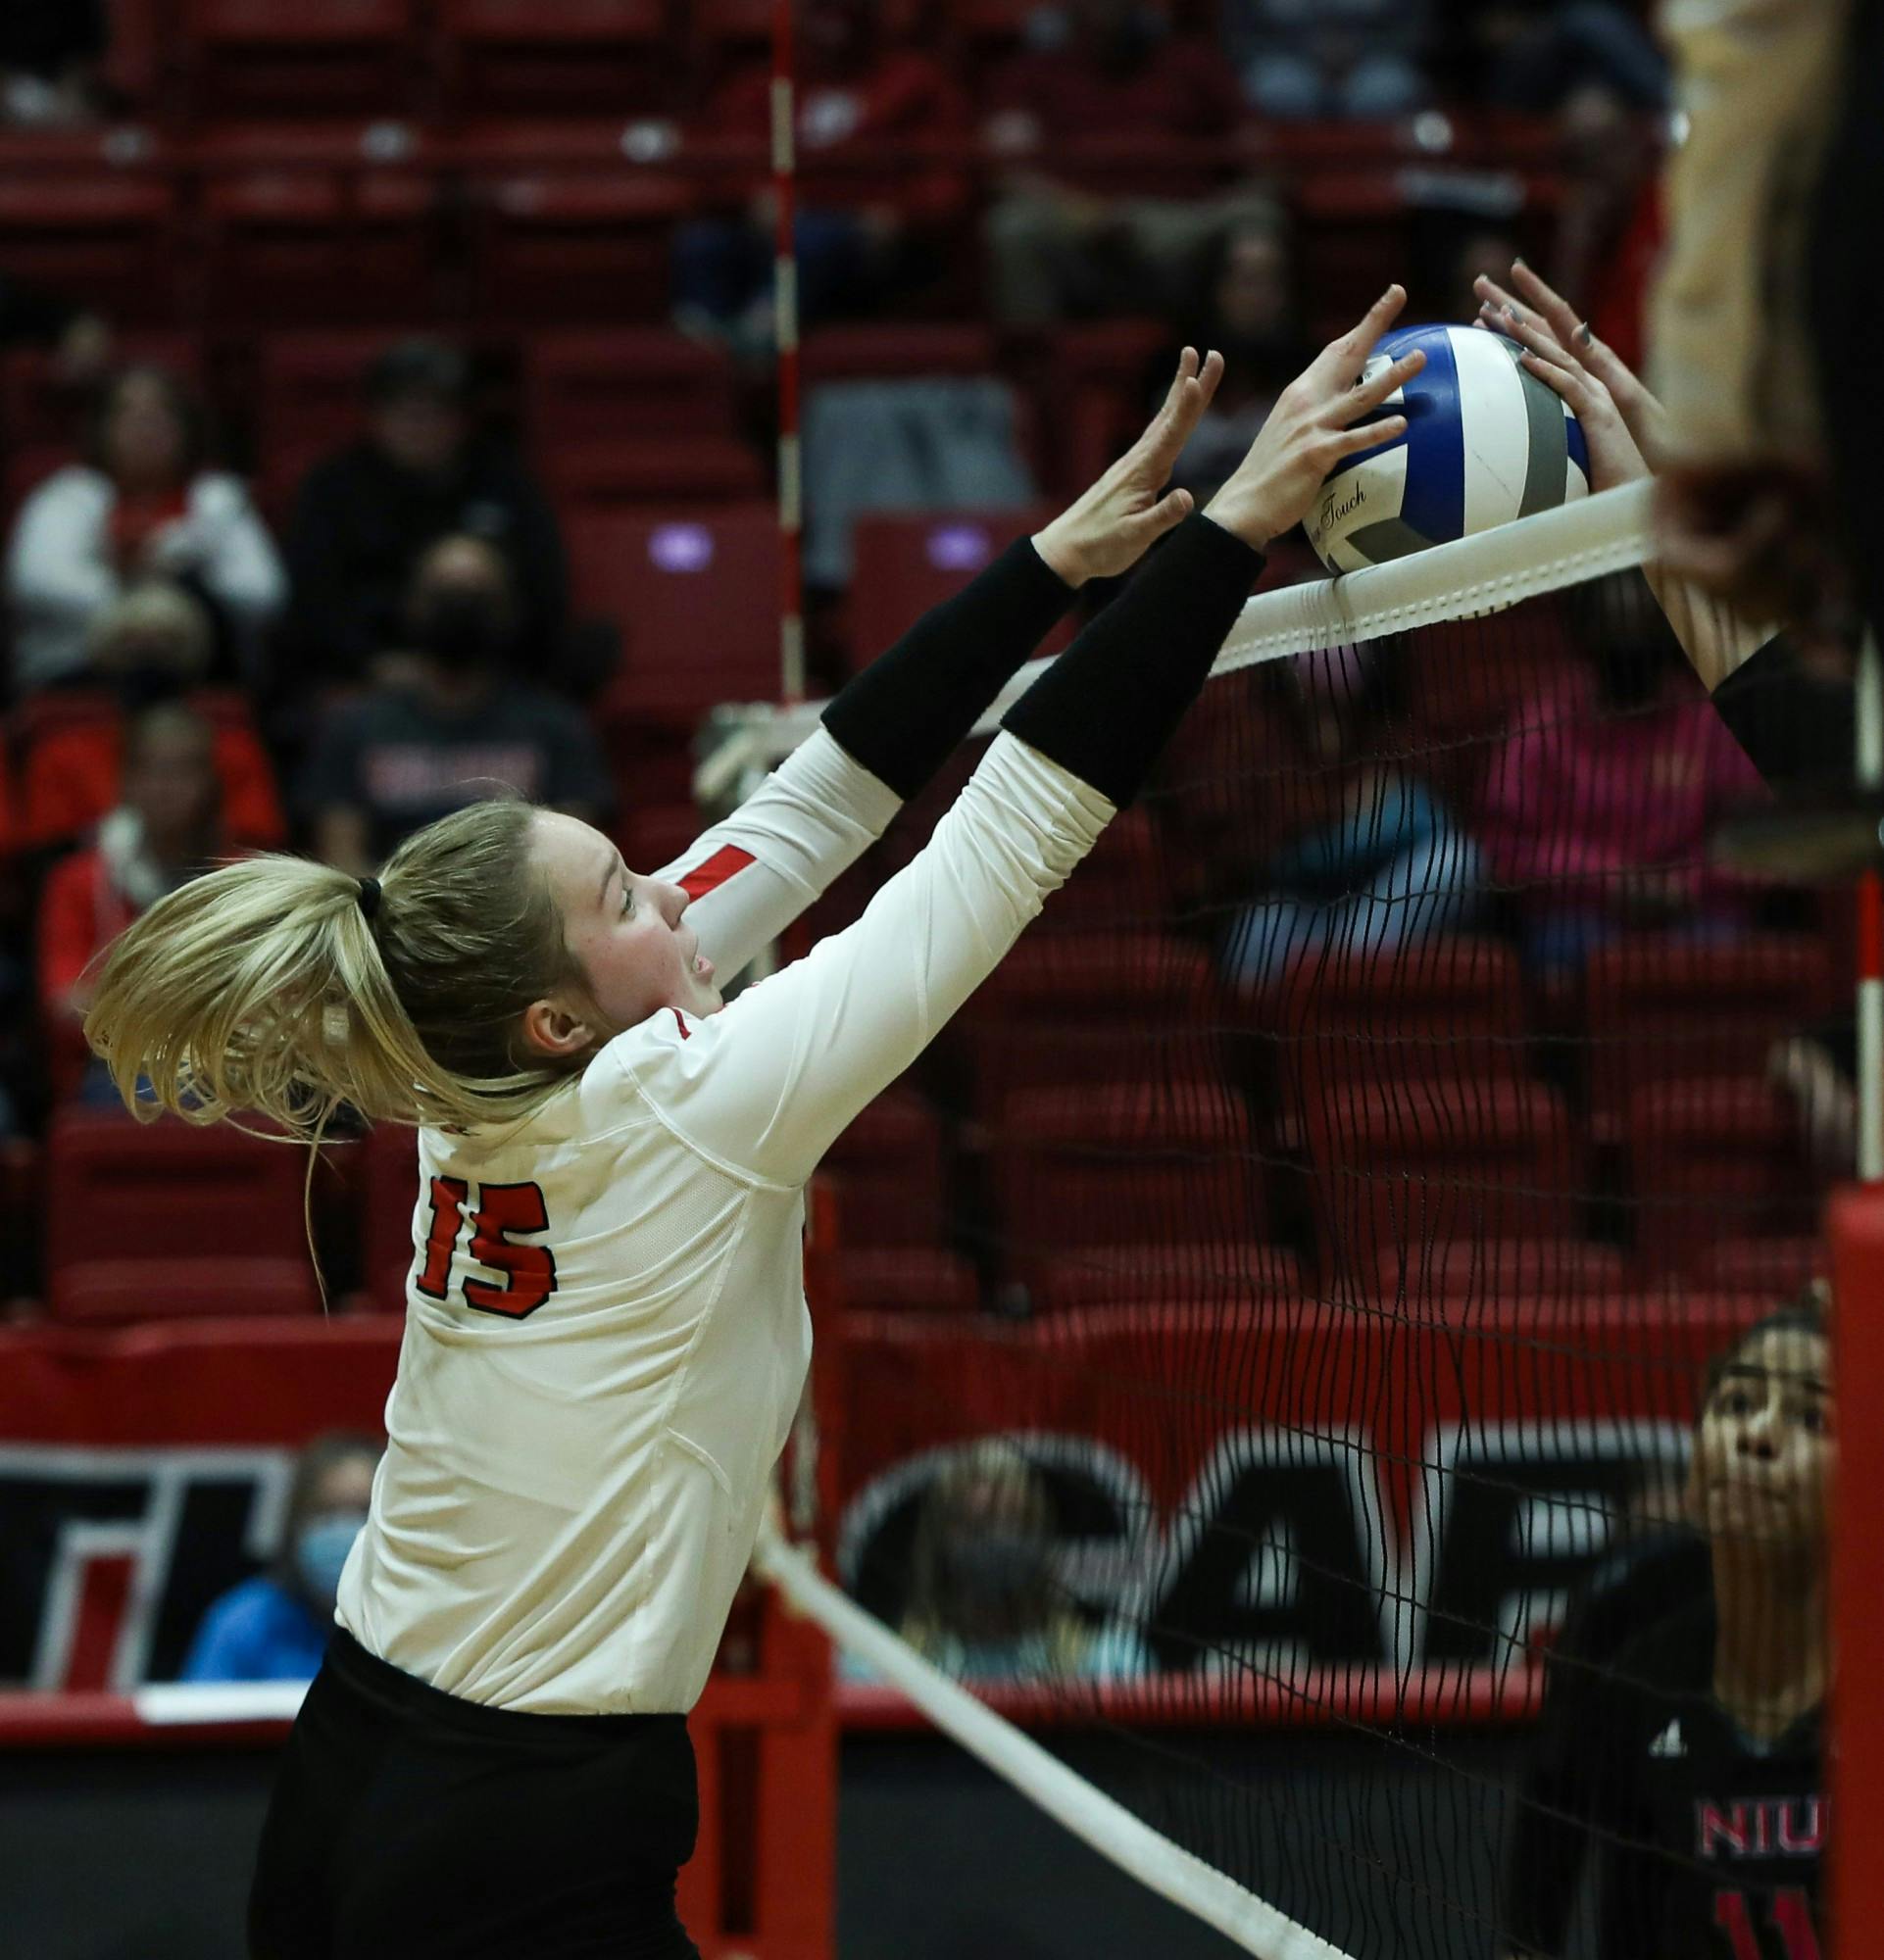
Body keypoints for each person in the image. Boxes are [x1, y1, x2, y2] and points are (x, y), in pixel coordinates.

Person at [81, 292, 1423, 1959]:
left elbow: (815, 798)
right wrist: (1229, 535)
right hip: (520, 1818)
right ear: (562, 1010)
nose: (678, 890)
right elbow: (996, 847)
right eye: (629, 890)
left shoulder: (473, 1066)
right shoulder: (683, 1100)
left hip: (365, 1755)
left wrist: (1054, 566)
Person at [1497, 1290, 1831, 1958]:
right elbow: (1539, 1899)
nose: (1756, 1435)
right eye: (1736, 1403)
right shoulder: (1631, 1667)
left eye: (1810, 1417)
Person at [300, 534, 613, 876]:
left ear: (507, 610)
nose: (459, 609)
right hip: (386, 920)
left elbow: (574, 864)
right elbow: (341, 861)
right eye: (445, 594)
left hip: (519, 922)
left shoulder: (555, 727)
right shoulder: (355, 726)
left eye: (476, 596)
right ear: (413, 605)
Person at [673, 0, 969, 351]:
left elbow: (945, 173)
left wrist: (902, 214)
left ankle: (758, 341)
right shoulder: (764, 84)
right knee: (701, 244)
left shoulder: (915, 82)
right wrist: (754, 193)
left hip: (863, 233)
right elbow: (724, 159)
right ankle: (700, 354)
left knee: (810, 240)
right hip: (776, 226)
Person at [282, 338, 570, 692]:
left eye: (435, 409)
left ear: (463, 418)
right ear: (375, 417)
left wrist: (483, 669)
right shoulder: (334, 488)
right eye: (403, 408)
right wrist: (372, 663)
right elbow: (314, 599)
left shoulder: (504, 483)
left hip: (492, 677)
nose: (419, 423)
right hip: (368, 675)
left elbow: (543, 590)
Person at [983, 0, 1273, 328]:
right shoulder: (1031, 71)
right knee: (1013, 226)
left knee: (1256, 217)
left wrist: (1213, 207)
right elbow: (1008, 170)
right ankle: (1030, 368)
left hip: (1183, 227)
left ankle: (1253, 369)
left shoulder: (1194, 62)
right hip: (1076, 228)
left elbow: (1259, 157)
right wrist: (1081, 212)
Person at [5, 365, 286, 691]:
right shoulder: (66, 495)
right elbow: (37, 582)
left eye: (160, 414)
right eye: (128, 414)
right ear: (101, 428)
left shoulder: (219, 498)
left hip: (202, 686)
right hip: (78, 680)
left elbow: (262, 593)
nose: (145, 427)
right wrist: (150, 608)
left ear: (186, 427)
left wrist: (172, 574)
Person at [1222, 641, 1481, 989]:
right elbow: (1263, 858)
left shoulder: (1394, 729)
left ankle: (1345, 989)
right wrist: (1340, 817)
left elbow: (1433, 816)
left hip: (1383, 907)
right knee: (1258, 928)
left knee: (1455, 860)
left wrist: (1390, 807)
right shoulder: (1267, 740)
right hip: (1311, 908)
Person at [37, 701, 230, 1103]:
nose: (167, 785)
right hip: (115, 1068)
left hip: (227, 1067)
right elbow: (65, 1005)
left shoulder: (241, 881)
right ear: (127, 781)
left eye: (183, 771)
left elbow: (272, 1004)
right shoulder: (79, 881)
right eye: (152, 770)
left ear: (209, 783)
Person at [19, 581, 284, 854]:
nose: (149, 656)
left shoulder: (232, 747)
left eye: (167, 642)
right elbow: (47, 852)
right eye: (132, 643)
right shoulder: (65, 751)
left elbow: (256, 847)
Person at [896, 1440, 1144, 1681]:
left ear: (1040, 1532)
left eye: (1015, 1523)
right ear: (939, 1540)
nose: (997, 1541)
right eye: (976, 1528)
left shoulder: (1108, 1666)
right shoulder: (894, 1668)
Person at [181, 1435, 383, 1686]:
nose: (343, 1529)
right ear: (295, 1520)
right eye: (327, 1511)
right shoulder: (244, 1623)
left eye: (362, 1511)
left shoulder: (418, 1626)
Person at [1158, 212, 1312, 506]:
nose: (1261, 296)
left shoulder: (1312, 373)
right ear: (1216, 288)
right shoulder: (1171, 369)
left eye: (1273, 280)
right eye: (1248, 280)